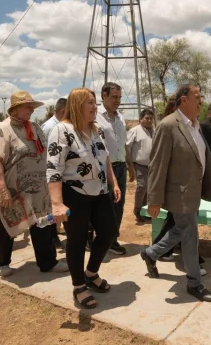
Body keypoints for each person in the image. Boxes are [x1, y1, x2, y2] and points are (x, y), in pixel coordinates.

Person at [140, 84, 211, 302]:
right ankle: (194, 283)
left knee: (182, 229)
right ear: (184, 100)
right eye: (197, 96)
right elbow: (157, 164)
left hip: (194, 190)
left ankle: (151, 253)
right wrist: (153, 199)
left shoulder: (195, 125)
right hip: (179, 193)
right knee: (190, 235)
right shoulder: (168, 125)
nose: (201, 100)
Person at [47, 88, 120, 309]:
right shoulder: (62, 130)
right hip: (74, 194)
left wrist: (113, 182)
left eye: (95, 102)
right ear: (77, 104)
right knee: (77, 241)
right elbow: (53, 169)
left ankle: (91, 272)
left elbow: (105, 158)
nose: (95, 107)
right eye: (90, 102)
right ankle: (79, 285)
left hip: (99, 191)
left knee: (109, 231)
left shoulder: (94, 129)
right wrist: (57, 203)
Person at [0, 91, 68, 277]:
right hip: (13, 188)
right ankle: (1, 261)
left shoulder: (34, 127)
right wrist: (2, 190)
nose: (31, 110)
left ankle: (48, 261)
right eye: (27, 107)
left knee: (42, 223)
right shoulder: (2, 129)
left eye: (32, 107)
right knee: (7, 223)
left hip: (39, 188)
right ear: (15, 109)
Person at [96, 82, 135, 255]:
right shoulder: (95, 116)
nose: (117, 101)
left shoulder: (120, 118)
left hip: (120, 168)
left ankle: (112, 240)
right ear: (104, 95)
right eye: (114, 97)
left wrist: (130, 166)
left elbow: (124, 144)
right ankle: (98, 239)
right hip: (102, 169)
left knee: (118, 205)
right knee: (103, 206)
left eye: (119, 97)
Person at [41, 98, 67, 249]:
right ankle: (52, 237)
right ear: (63, 111)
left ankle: (54, 234)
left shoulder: (60, 125)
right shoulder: (50, 127)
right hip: (50, 173)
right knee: (51, 207)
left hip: (59, 173)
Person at [126, 109, 154, 222]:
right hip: (139, 165)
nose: (149, 120)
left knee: (149, 189)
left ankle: (145, 210)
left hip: (152, 166)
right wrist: (130, 166)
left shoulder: (154, 130)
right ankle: (137, 210)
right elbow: (127, 147)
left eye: (151, 118)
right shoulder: (134, 131)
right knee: (142, 186)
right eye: (147, 118)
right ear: (140, 119)